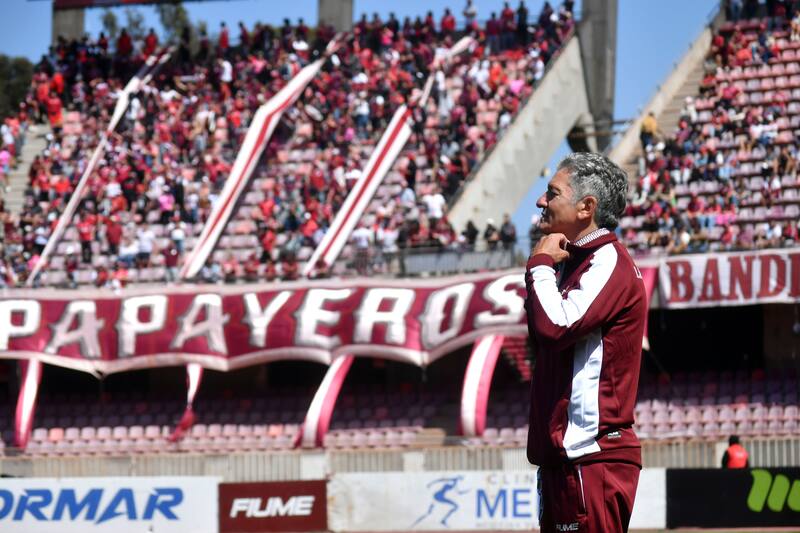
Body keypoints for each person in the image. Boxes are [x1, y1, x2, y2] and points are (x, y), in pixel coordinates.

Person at [525, 153, 646, 533]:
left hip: (592, 459)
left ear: (586, 207)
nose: (541, 201)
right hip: (571, 462)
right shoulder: (574, 263)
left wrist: (540, 266)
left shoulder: (606, 260)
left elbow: (555, 326)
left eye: (552, 193)